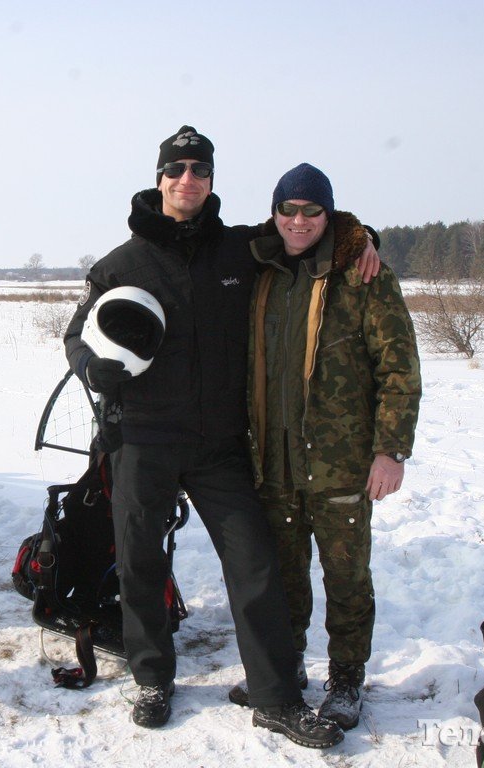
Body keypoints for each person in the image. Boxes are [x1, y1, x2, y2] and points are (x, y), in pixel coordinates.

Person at [63, 127, 378, 749]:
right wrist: (90, 364)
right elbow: (78, 335)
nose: (188, 180)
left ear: (211, 182)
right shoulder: (121, 264)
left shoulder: (240, 250)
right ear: (159, 179)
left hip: (219, 443)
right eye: (176, 170)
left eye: (199, 170)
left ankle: (275, 696)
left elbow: (305, 231)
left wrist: (363, 237)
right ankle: (151, 677)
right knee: (141, 560)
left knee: (254, 561)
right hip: (144, 439)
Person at [232, 162, 421, 731]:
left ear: (329, 215)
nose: (298, 220)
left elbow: (399, 368)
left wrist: (391, 450)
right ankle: (286, 668)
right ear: (274, 213)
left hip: (341, 464)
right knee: (283, 577)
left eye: (311, 210)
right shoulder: (258, 270)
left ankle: (345, 679)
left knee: (345, 579)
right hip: (275, 461)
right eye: (287, 209)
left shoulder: (364, 276)